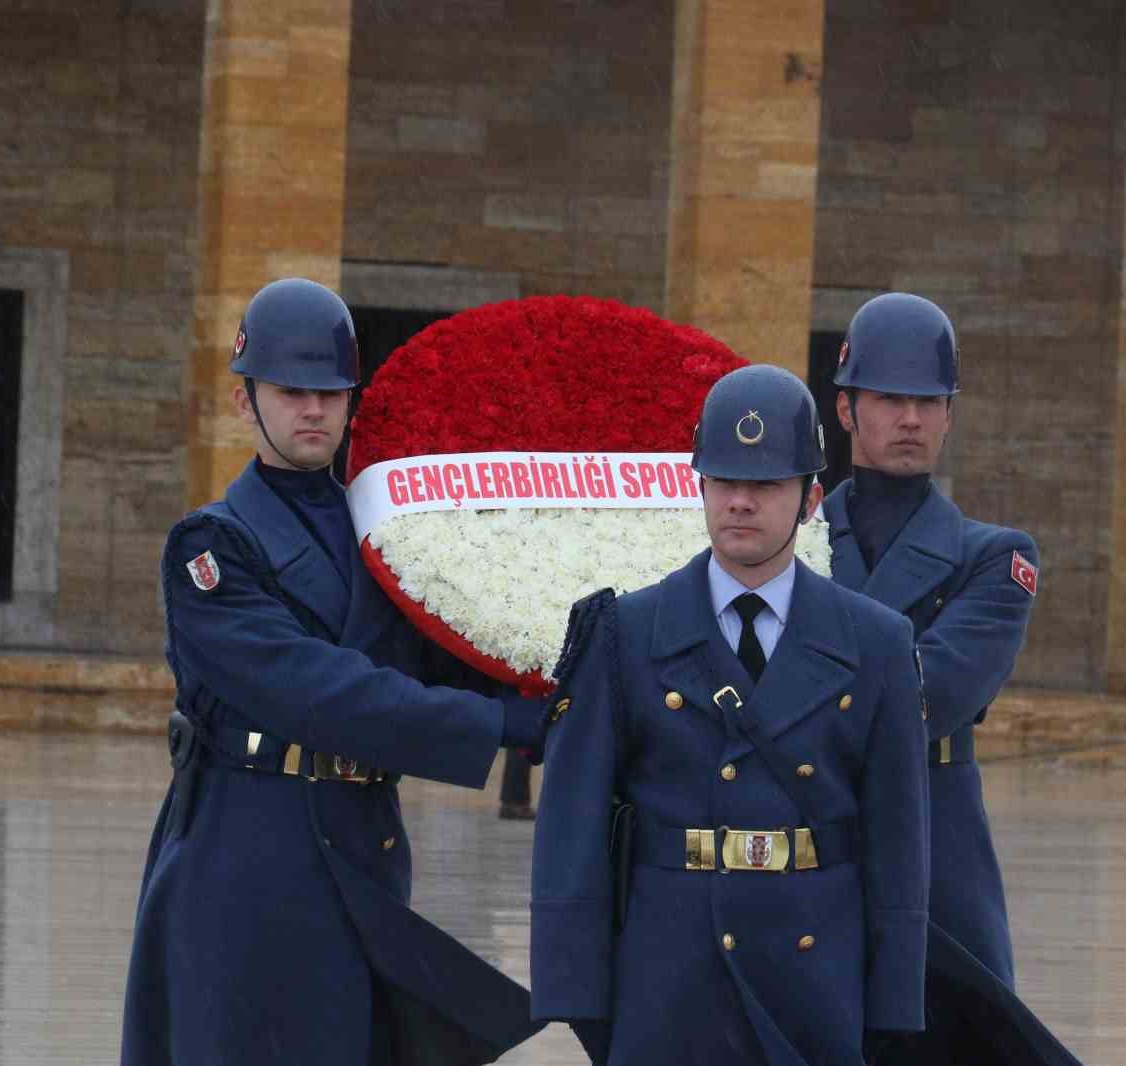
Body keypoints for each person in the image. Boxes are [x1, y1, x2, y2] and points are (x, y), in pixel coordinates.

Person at [120, 278, 547, 1066]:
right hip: (246, 858)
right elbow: (318, 690)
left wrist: (551, 685)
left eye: (331, 392)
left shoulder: (388, 534)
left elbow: (441, 652)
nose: (313, 410)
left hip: (359, 845)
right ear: (247, 402)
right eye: (291, 391)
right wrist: (502, 727)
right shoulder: (209, 549)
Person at [531, 364, 933, 1066]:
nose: (741, 503)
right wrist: (575, 993)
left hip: (815, 974)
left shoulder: (875, 642)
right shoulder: (627, 630)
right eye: (725, 481)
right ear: (700, 486)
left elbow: (899, 837)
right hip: (669, 975)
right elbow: (573, 820)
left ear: (810, 499)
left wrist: (893, 999)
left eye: (766, 485)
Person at [826, 292, 1041, 1058]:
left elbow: (934, 695)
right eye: (889, 399)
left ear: (949, 415)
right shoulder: (791, 541)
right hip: (808, 839)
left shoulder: (995, 557)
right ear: (846, 408)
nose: (910, 419)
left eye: (928, 401)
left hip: (933, 846)